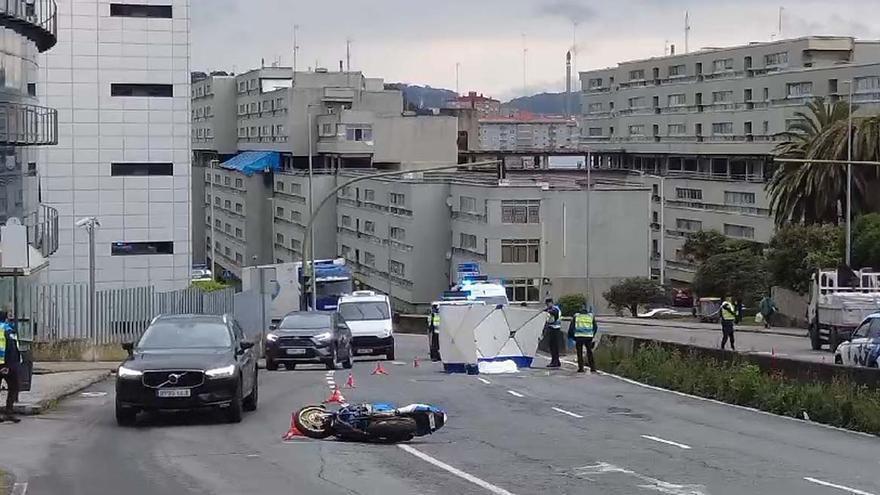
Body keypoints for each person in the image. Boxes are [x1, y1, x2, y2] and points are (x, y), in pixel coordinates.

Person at [0, 311, 21, 423]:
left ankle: (9, 412)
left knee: (14, 387)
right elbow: (10, 348)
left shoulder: (9, 329)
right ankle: (9, 412)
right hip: (7, 364)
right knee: (14, 388)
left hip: (7, 363)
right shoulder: (8, 330)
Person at [568, 303, 598, 373]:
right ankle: (593, 368)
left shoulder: (576, 316)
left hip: (579, 336)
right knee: (589, 352)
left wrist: (572, 336)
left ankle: (581, 368)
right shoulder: (591, 316)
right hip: (588, 337)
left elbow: (571, 327)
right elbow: (595, 327)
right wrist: (592, 335)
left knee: (579, 353)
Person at [543, 297, 562, 368]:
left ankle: (555, 361)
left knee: (554, 346)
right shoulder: (553, 308)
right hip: (553, 328)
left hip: (555, 329)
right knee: (553, 346)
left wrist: (547, 311)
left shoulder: (555, 309)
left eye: (548, 304)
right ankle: (556, 361)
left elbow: (553, 312)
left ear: (551, 303)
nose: (547, 305)